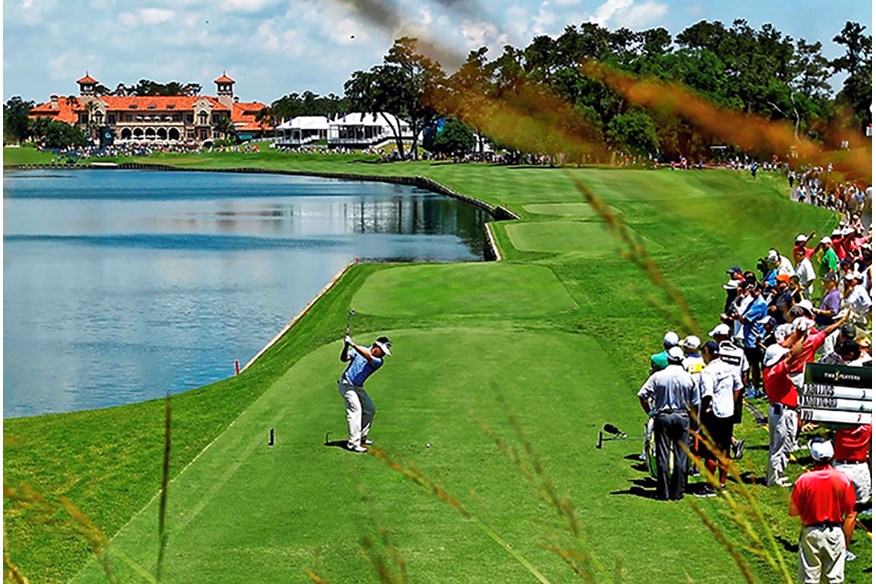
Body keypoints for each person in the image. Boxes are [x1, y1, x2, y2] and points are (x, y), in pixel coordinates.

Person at [789, 438, 857, 584]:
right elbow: (850, 513)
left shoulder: (804, 480)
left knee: (810, 579)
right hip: (834, 532)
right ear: (832, 455)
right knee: (834, 579)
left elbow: (793, 511)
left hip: (811, 531)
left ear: (813, 457)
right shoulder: (843, 479)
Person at [637, 346, 698, 501]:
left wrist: (650, 412)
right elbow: (695, 403)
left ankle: (663, 492)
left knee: (663, 455)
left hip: (663, 416)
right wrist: (693, 423)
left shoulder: (658, 376)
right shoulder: (688, 377)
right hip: (683, 416)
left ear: (669, 359)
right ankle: (677, 491)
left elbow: (642, 395)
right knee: (681, 455)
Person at [696, 341, 743, 493]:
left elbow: (707, 395)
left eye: (704, 353)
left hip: (713, 414)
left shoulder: (708, 372)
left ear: (708, 352)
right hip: (728, 413)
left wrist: (702, 415)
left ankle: (710, 484)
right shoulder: (729, 367)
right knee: (724, 451)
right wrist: (732, 402)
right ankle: (722, 483)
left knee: (710, 452)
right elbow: (739, 386)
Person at [337, 334, 392, 453]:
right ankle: (353, 443)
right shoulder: (360, 350)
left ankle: (362, 436)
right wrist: (346, 346)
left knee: (370, 409)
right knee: (355, 411)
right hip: (346, 384)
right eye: (382, 351)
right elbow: (343, 358)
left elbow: (367, 356)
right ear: (376, 347)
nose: (383, 355)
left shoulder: (378, 361)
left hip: (357, 387)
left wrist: (352, 344)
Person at [763, 338, 805, 487]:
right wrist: (804, 338)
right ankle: (773, 479)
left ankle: (777, 474)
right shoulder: (776, 371)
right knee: (778, 447)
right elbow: (793, 356)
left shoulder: (772, 369)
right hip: (783, 413)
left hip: (784, 412)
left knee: (786, 444)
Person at [833, 424, 872, 509]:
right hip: (859, 468)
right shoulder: (869, 425)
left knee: (837, 505)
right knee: (857, 507)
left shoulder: (840, 424)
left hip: (840, 467)